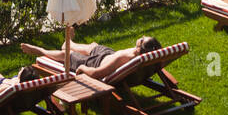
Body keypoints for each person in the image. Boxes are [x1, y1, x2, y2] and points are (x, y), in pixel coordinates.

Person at [20, 34, 162, 79]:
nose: (141, 36)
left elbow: (96, 73)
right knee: (93, 46)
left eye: (143, 39)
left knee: (67, 54)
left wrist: (82, 67)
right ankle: (68, 42)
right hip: (109, 53)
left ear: (140, 48)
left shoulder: (125, 59)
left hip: (96, 63)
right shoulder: (148, 56)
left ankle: (40, 51)